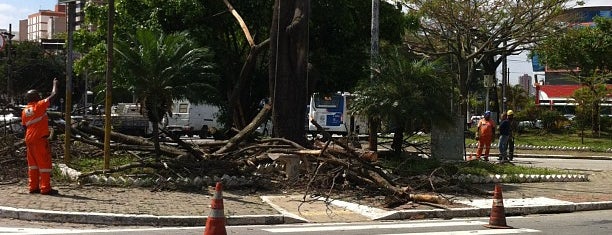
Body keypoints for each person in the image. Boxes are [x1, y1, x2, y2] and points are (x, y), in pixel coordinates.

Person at [21, 78, 59, 195]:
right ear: (35, 97)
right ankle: (45, 188)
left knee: (32, 165)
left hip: (29, 139)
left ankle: (33, 187)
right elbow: (53, 95)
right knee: (44, 164)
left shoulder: (25, 111)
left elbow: (24, 127)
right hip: (39, 139)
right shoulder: (39, 105)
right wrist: (54, 84)